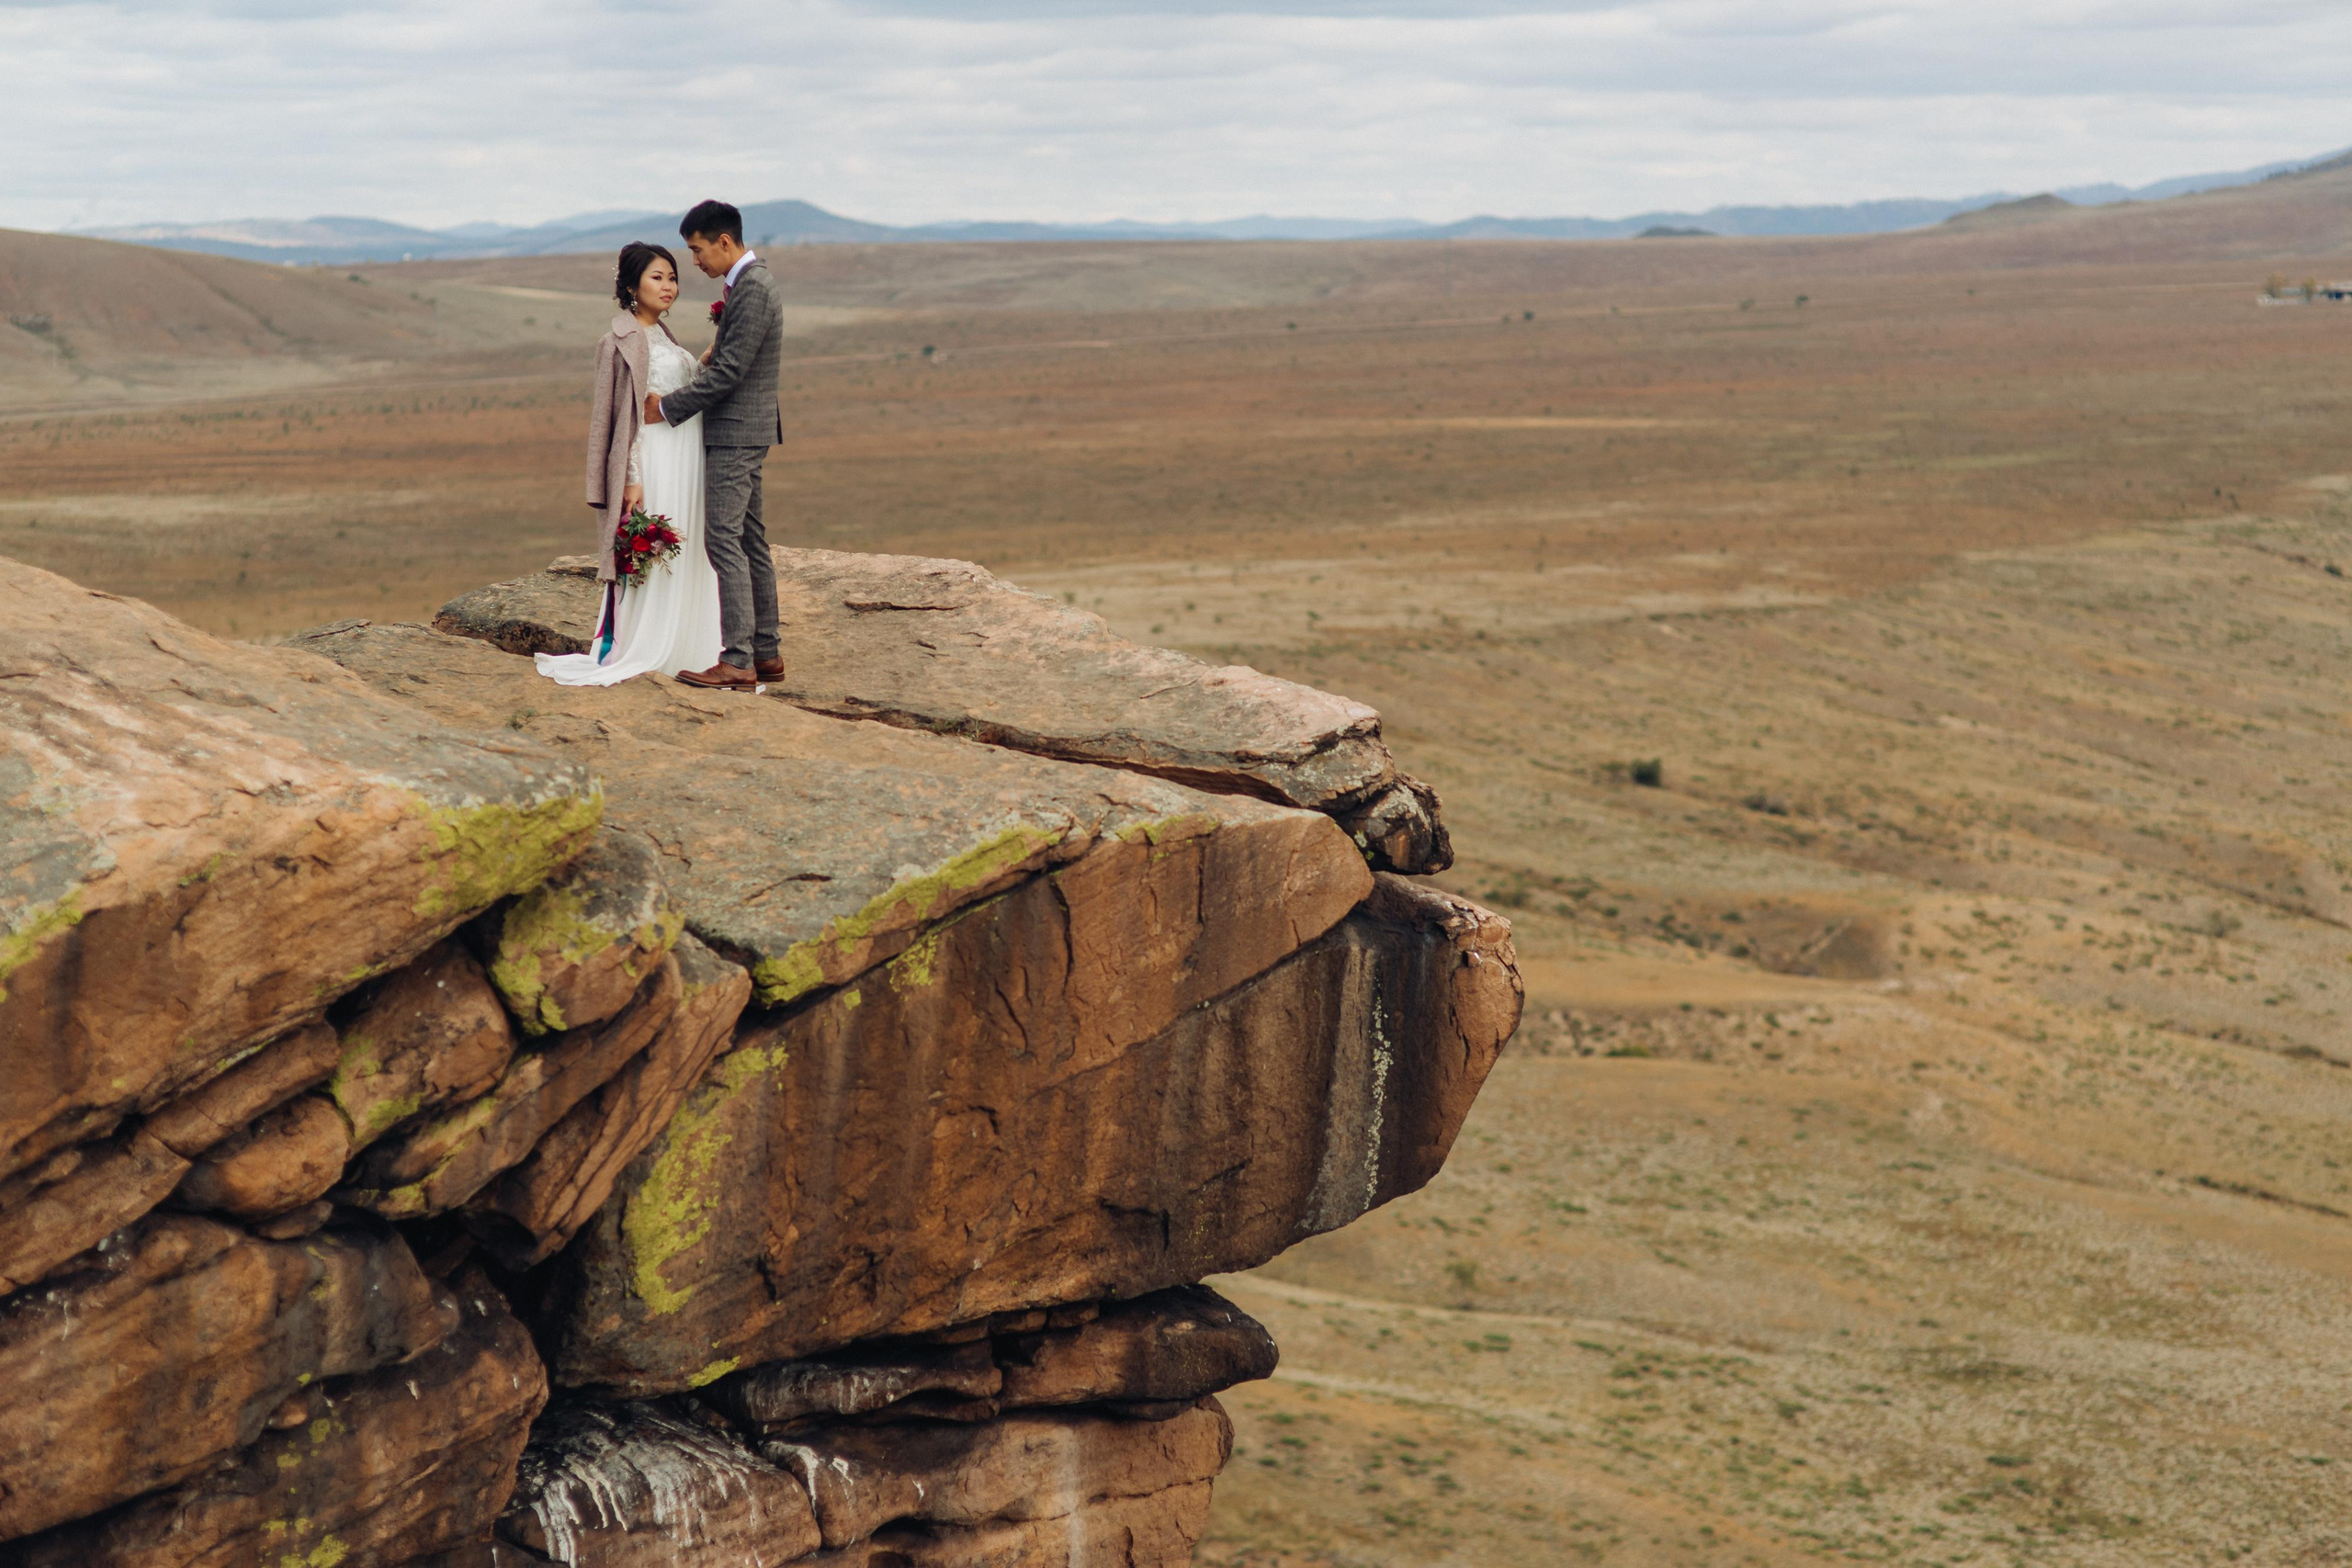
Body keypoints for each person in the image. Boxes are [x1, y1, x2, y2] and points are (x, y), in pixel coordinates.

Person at [536, 242, 723, 687]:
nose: (668, 286)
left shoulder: (663, 336)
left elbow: (680, 388)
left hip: (686, 454)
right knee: (656, 551)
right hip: (655, 458)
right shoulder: (617, 340)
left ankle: (689, 643)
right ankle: (647, 642)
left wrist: (709, 358)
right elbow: (620, 415)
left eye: (673, 277)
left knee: (689, 543)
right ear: (631, 284)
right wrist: (631, 477)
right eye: (657, 277)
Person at [643, 198, 786, 691]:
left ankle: (739, 659)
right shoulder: (748, 286)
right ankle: (765, 654)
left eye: (698, 250)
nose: (695, 262)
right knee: (749, 539)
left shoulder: (753, 288)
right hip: (746, 429)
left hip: (736, 432)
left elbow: (730, 373)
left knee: (723, 540)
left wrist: (665, 407)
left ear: (725, 242)